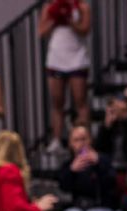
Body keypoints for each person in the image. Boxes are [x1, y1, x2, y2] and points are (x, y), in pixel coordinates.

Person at [39, 0, 92, 153]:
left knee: (80, 100)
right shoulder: (49, 7)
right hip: (56, 58)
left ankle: (85, 139)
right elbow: (41, 32)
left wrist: (70, 20)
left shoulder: (82, 6)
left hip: (77, 57)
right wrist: (55, 19)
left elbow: (85, 30)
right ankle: (56, 139)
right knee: (57, 102)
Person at [60, 125, 127, 211]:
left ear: (90, 140)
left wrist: (99, 163)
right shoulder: (68, 165)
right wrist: (71, 171)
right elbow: (64, 187)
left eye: (84, 139)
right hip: (79, 207)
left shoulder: (104, 160)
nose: (81, 143)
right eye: (76, 140)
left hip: (102, 206)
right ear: (71, 144)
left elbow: (112, 184)